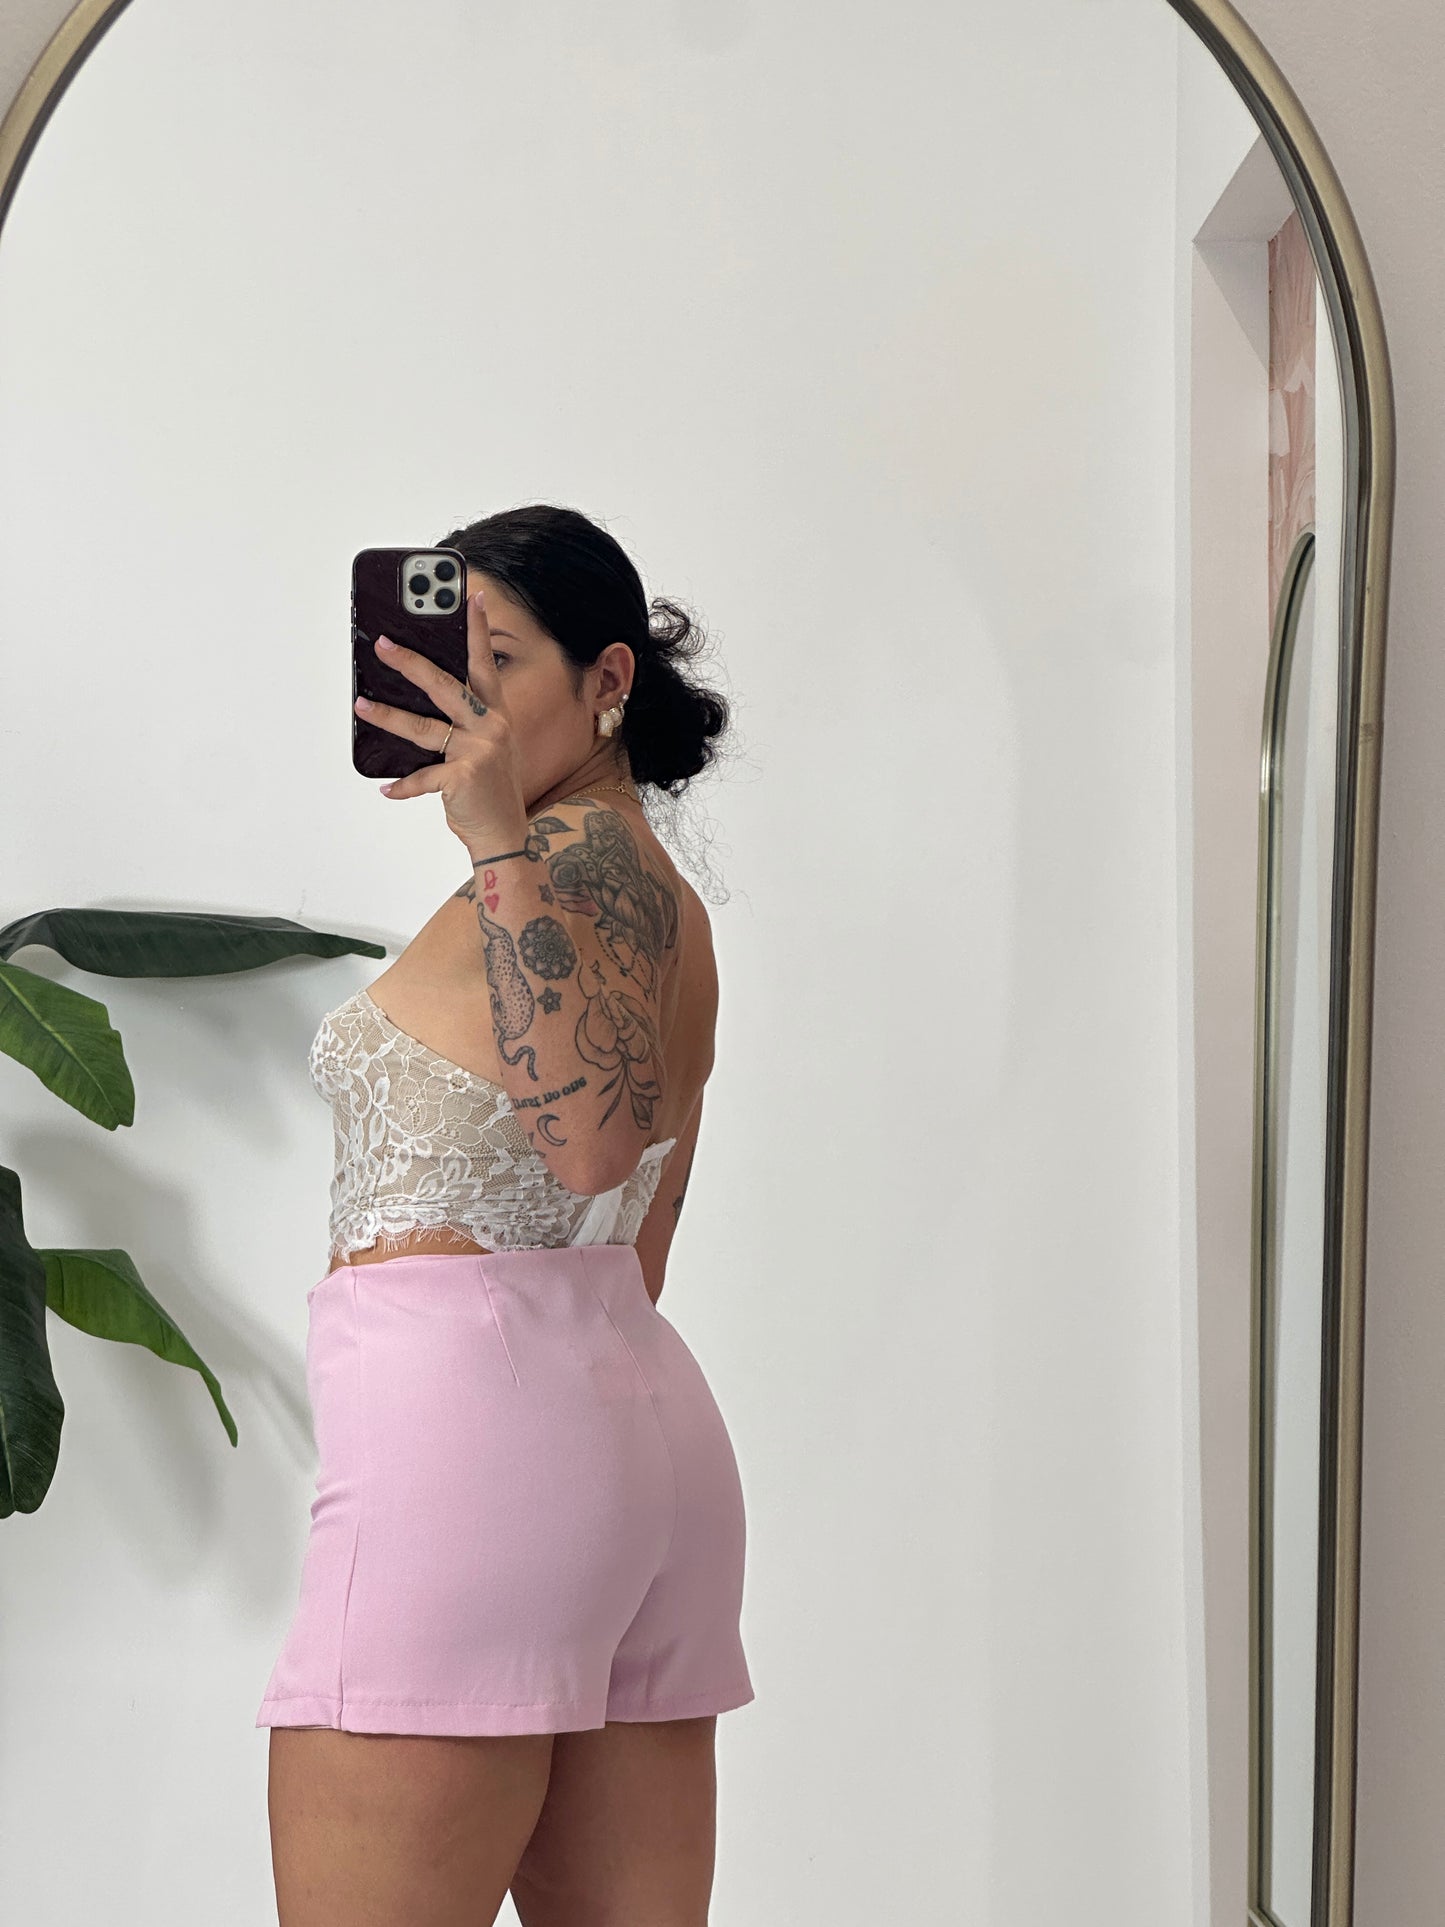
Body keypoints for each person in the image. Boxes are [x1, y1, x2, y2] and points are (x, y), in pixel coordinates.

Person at [255, 504, 753, 1926]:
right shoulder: (657, 894)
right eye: (444, 658)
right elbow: (641, 1239)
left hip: (466, 1456)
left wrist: (491, 844)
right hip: (628, 1434)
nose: (463, 697)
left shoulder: (555, 869)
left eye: (502, 660)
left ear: (608, 681)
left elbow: (593, 1149)